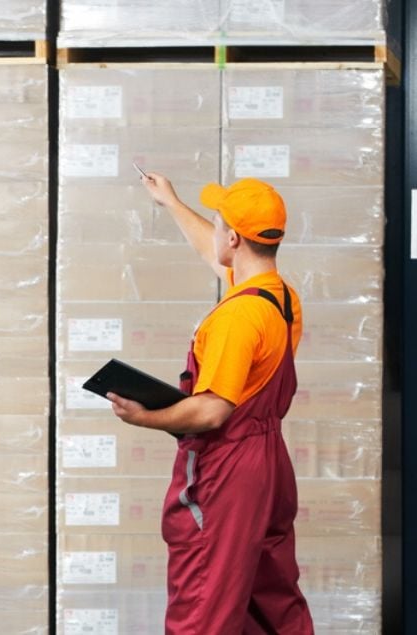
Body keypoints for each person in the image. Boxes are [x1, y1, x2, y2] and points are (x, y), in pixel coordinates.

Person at [108, 173, 314, 633]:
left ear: (236, 238)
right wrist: (172, 203)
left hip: (228, 469)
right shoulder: (279, 298)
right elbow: (218, 254)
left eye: (221, 224)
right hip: (268, 466)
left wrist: (144, 416)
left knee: (203, 603)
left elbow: (212, 410)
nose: (216, 232)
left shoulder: (237, 317)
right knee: (270, 600)